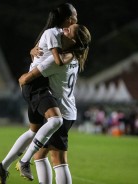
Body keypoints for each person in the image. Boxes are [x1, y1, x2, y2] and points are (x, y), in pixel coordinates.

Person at [0, 3, 78, 184]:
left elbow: (42, 61)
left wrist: (25, 76)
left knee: (38, 135)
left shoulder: (60, 45)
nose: (76, 20)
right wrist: (34, 52)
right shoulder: (59, 38)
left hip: (43, 90)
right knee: (48, 144)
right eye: (75, 17)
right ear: (69, 19)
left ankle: (10, 164)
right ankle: (18, 162)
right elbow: (46, 53)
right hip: (43, 91)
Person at [18, 24, 91, 184]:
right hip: (69, 111)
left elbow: (27, 78)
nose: (64, 29)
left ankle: (23, 162)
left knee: (51, 158)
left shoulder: (58, 60)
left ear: (73, 40)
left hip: (59, 111)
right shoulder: (75, 56)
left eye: (69, 30)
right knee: (51, 156)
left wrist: (23, 78)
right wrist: (33, 51)